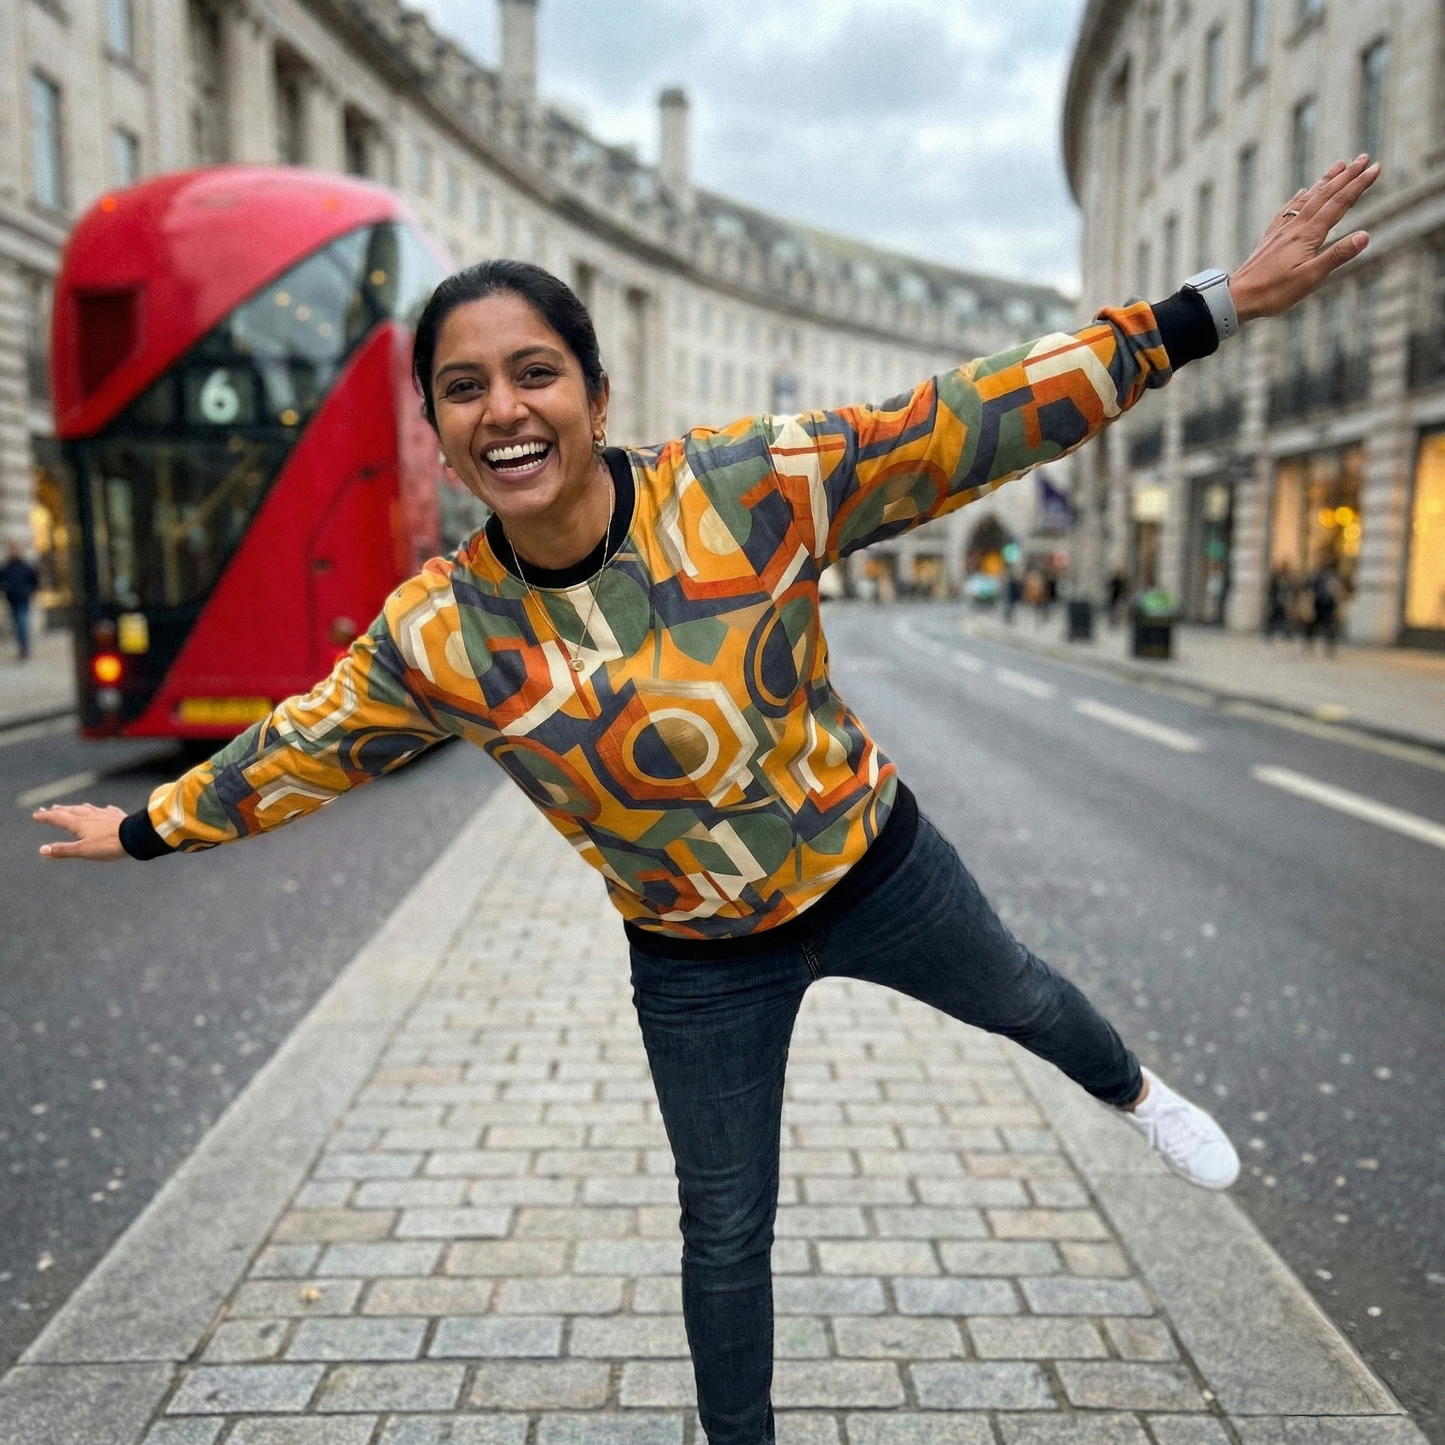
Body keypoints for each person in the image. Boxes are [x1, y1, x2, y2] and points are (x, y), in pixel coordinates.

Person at [35, 156, 1378, 1445]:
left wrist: (1205, 309)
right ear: (436, 435)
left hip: (875, 868)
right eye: (462, 388)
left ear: (595, 393)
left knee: (1024, 995)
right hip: (696, 960)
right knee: (723, 1227)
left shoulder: (747, 487)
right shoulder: (439, 632)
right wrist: (150, 824)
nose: (503, 408)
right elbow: (306, 743)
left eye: (533, 372)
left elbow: (964, 419)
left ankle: (1137, 1094)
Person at [1, 541, 40, 661]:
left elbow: (34, 581)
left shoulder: (26, 567)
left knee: (22, 624)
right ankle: (22, 647)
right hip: (12, 601)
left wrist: (29, 591)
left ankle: (24, 649)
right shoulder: (6, 568)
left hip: (23, 600)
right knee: (17, 626)